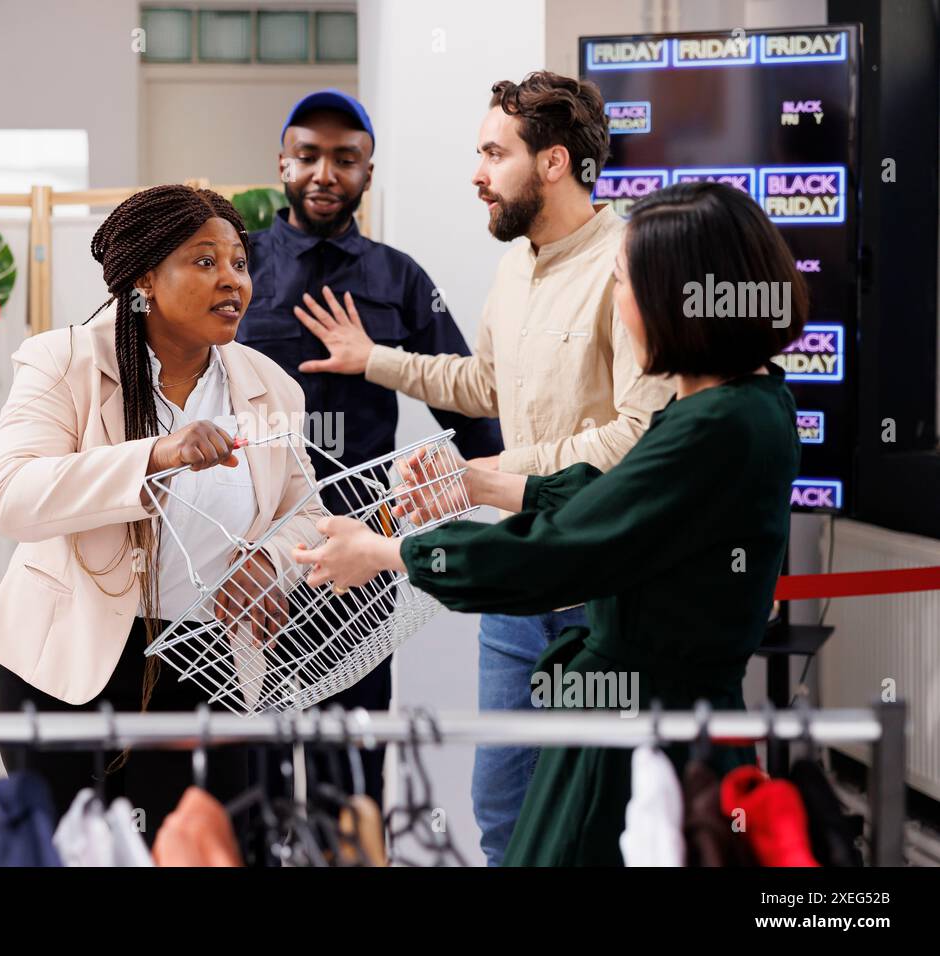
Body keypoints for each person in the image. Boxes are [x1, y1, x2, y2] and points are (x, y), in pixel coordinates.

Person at [290, 180, 806, 866]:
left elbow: (562, 552)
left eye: (624, 285)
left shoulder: (716, 424)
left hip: (643, 732)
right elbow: (616, 500)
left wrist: (389, 552)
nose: (620, 312)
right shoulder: (744, 401)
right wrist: (481, 483)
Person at [289, 72, 675, 862]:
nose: (477, 174)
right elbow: (483, 385)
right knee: (501, 815)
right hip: (516, 589)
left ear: (555, 162)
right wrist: (375, 361)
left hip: (600, 591)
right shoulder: (518, 265)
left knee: (591, 826)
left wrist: (488, 474)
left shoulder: (627, 264)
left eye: (494, 154)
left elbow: (635, 437)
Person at [0, 185, 325, 847]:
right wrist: (154, 455)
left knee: (206, 851)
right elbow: (9, 496)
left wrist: (273, 564)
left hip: (208, 659)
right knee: (69, 855)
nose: (231, 280)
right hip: (69, 662)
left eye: (239, 263)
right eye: (203, 262)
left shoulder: (271, 387)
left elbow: (303, 512)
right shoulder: (65, 360)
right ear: (144, 282)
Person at [239, 89, 503, 805]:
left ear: (367, 173)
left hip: (359, 549)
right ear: (283, 163)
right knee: (244, 779)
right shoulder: (238, 265)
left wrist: (524, 495)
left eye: (345, 159)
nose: (325, 172)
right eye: (309, 155)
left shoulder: (400, 278)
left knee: (349, 773)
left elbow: (470, 406)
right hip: (243, 556)